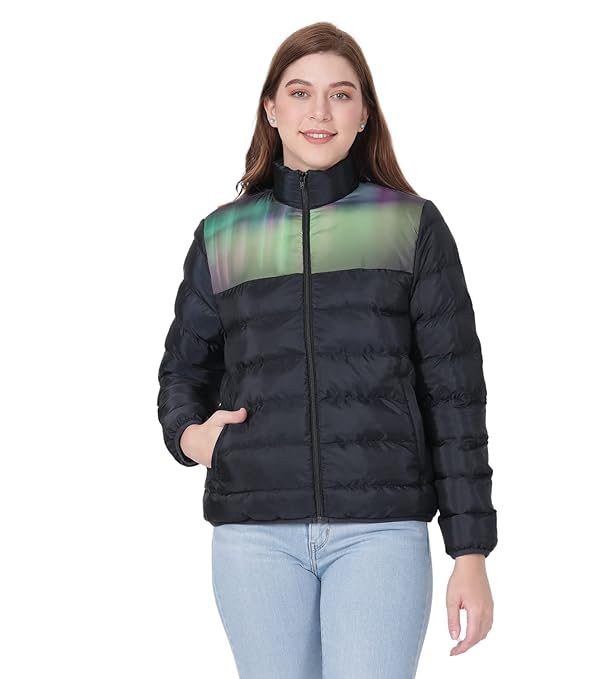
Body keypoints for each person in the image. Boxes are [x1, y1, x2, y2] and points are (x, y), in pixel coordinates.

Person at [157, 21, 497, 679]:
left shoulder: (410, 226)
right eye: (300, 92)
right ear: (271, 108)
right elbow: (181, 373)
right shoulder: (223, 235)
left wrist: (470, 551)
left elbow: (455, 395)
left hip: (380, 532)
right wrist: (193, 439)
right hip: (254, 533)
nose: (319, 112)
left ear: (363, 113)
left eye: (340, 94)